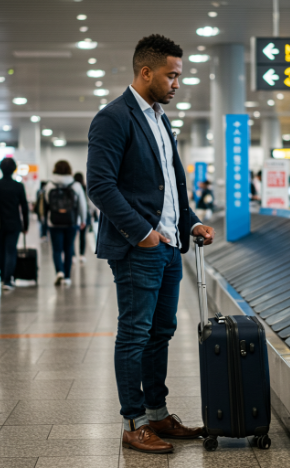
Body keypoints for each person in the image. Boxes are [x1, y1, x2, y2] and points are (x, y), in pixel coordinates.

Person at [87, 34, 215, 454]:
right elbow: (100, 186)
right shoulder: (114, 117)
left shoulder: (160, 119)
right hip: (138, 247)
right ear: (146, 72)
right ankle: (133, 420)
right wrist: (142, 234)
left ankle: (157, 412)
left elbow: (171, 186)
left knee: (161, 330)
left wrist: (191, 222)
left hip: (170, 246)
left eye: (179, 75)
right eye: (171, 75)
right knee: (135, 333)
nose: (177, 83)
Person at [0, 158, 29, 291]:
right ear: (14, 169)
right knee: (10, 251)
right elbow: (24, 207)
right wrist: (25, 225)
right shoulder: (18, 186)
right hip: (14, 224)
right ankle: (8, 280)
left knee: (1, 251)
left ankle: (2, 276)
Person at [44, 161, 87, 286]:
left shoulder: (50, 185)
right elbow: (82, 205)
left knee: (57, 249)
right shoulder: (76, 185)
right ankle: (67, 277)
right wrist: (83, 220)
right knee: (69, 249)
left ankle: (59, 272)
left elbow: (47, 202)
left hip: (54, 222)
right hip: (71, 222)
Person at [73, 172, 92, 263]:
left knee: (72, 237)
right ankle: (81, 255)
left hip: (74, 215)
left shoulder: (72, 187)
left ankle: (72, 256)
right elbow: (88, 204)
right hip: (85, 214)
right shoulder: (86, 188)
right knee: (82, 236)